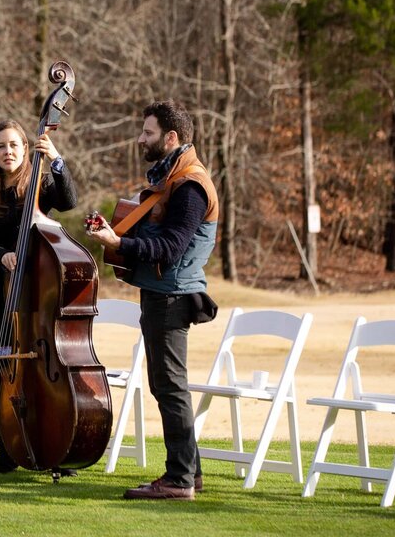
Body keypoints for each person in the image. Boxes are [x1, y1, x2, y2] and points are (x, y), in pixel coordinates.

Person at [86, 99, 219, 500]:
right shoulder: (172, 179)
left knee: (170, 386)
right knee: (167, 385)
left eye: (148, 133)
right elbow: (160, 237)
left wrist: (119, 242)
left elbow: (170, 248)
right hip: (163, 295)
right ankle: (188, 473)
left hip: (171, 298)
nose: (140, 139)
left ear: (171, 138)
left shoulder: (190, 186)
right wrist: (119, 235)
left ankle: (178, 480)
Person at [0, 120, 76, 474]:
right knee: (4, 374)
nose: (8, 152)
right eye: (1, 146)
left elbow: (70, 201)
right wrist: (1, 255)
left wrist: (57, 160)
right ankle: (10, 450)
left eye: (14, 145)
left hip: (38, 297)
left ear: (25, 148)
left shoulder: (41, 184)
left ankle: (53, 449)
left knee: (43, 376)